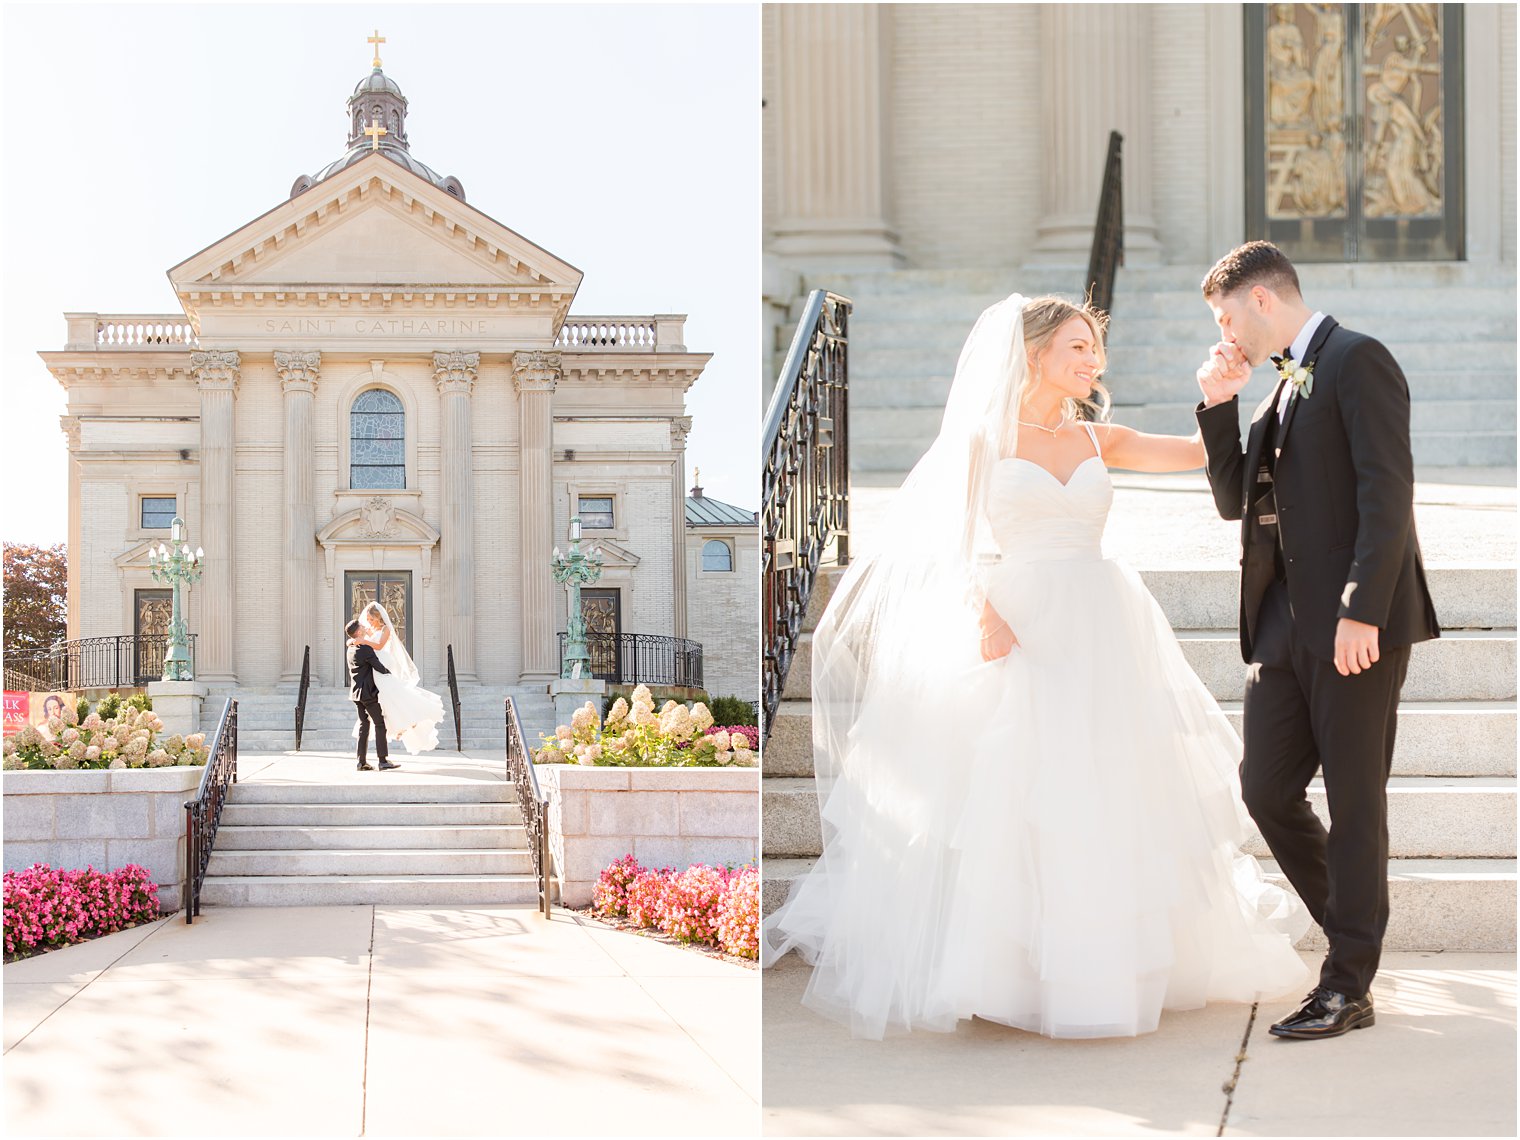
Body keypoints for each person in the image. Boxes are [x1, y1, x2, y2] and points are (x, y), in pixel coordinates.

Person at [762, 293, 1312, 1041]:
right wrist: (986, 608)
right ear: (1034, 355)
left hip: (1100, 619)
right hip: (1019, 617)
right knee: (1021, 788)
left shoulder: (1098, 439)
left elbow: (1198, 454)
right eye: (1079, 348)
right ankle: (1011, 970)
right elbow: (942, 546)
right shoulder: (982, 443)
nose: (1095, 361)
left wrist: (1221, 395)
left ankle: (1107, 961)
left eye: (1096, 348)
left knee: (1102, 786)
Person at [1195, 241, 1439, 1040]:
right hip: (1281, 631)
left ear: (1262, 301)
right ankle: (1354, 932)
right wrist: (1217, 404)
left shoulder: (1358, 359)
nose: (1226, 333)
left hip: (1352, 628)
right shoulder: (1273, 391)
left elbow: (1387, 490)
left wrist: (1363, 609)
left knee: (1356, 798)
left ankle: (1348, 982)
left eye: (1228, 317)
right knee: (1264, 788)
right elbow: (1237, 501)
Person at [350, 601, 445, 756]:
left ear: (378, 617)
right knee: (384, 700)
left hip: (381, 666)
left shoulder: (386, 629)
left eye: (371, 619)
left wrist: (364, 641)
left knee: (393, 696)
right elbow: (355, 638)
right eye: (368, 619)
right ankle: (398, 727)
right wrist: (355, 640)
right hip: (373, 669)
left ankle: (407, 723)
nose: (369, 622)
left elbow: (379, 646)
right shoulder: (370, 631)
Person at [346, 619, 398, 772]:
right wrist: (391, 675)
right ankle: (382, 760)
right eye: (361, 626)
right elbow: (379, 667)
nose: (364, 626)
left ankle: (361, 762)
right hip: (368, 693)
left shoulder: (350, 648)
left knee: (364, 725)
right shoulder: (365, 649)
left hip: (356, 693)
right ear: (358, 632)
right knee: (380, 724)